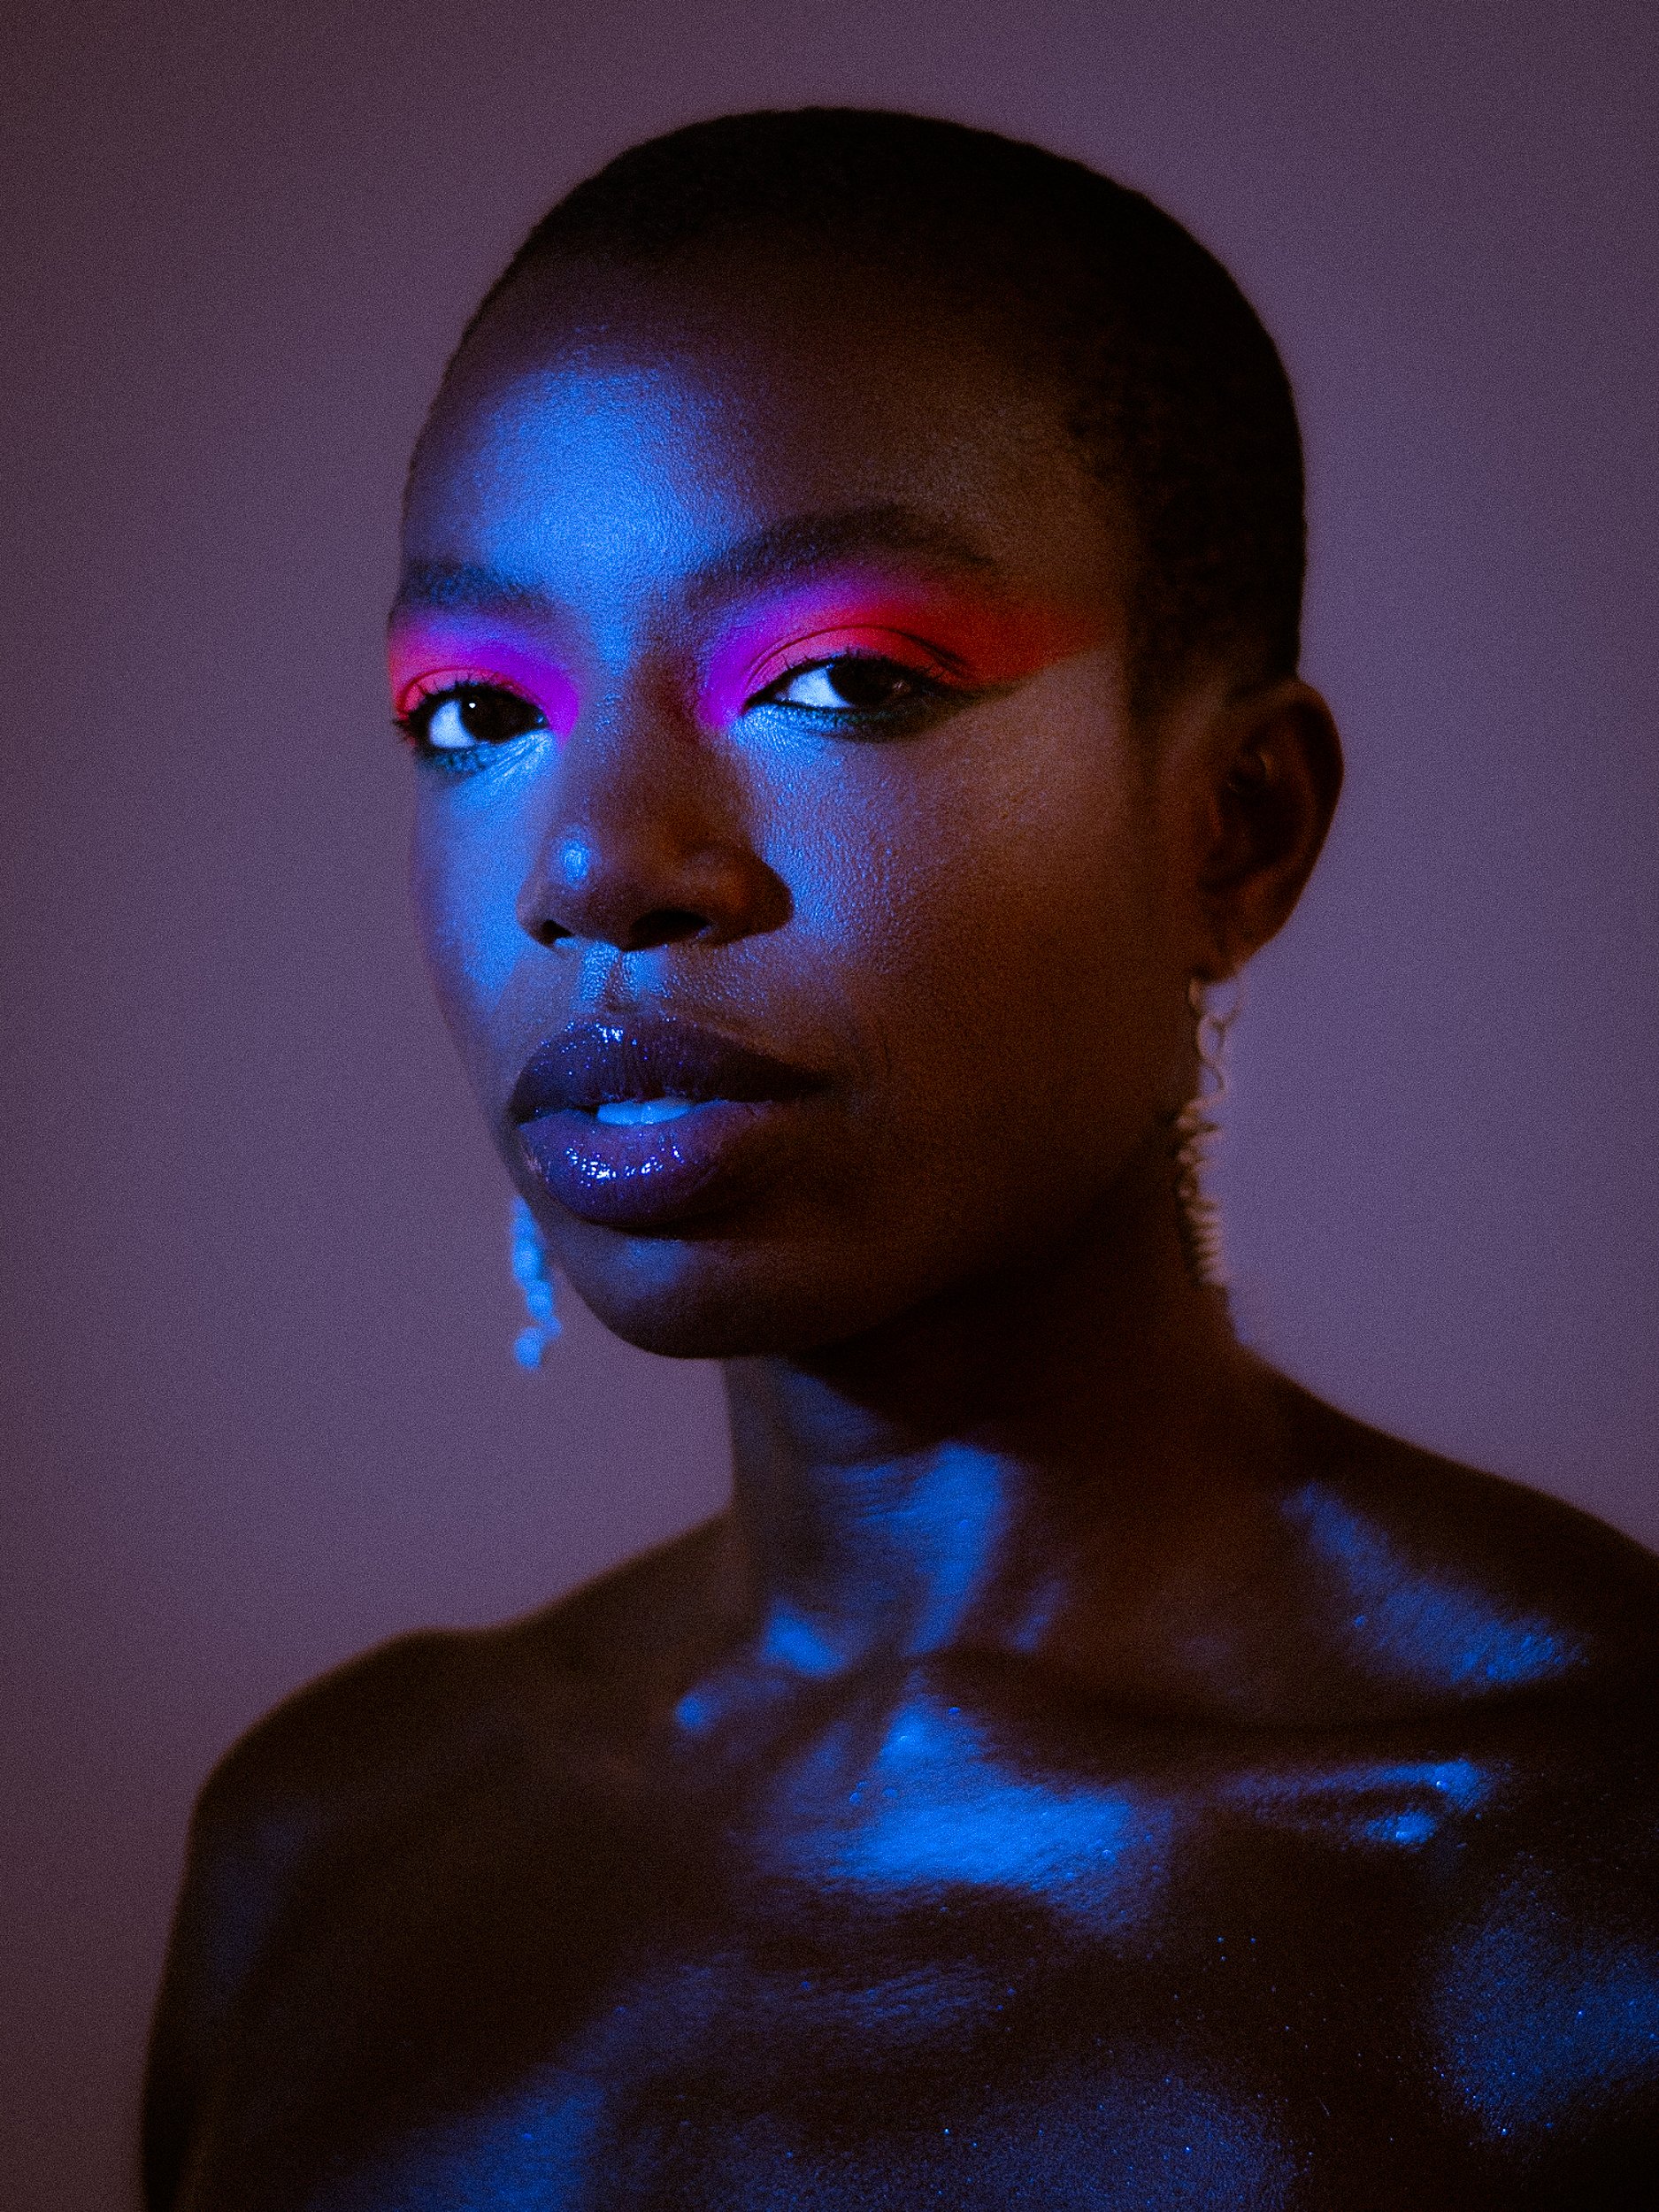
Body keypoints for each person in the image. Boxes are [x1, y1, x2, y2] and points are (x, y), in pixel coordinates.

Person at [142, 110, 1659, 2209]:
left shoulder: (1574, 1888)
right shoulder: (323, 1843)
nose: (592, 864)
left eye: (841, 678)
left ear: (1232, 828)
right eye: (473, 713)